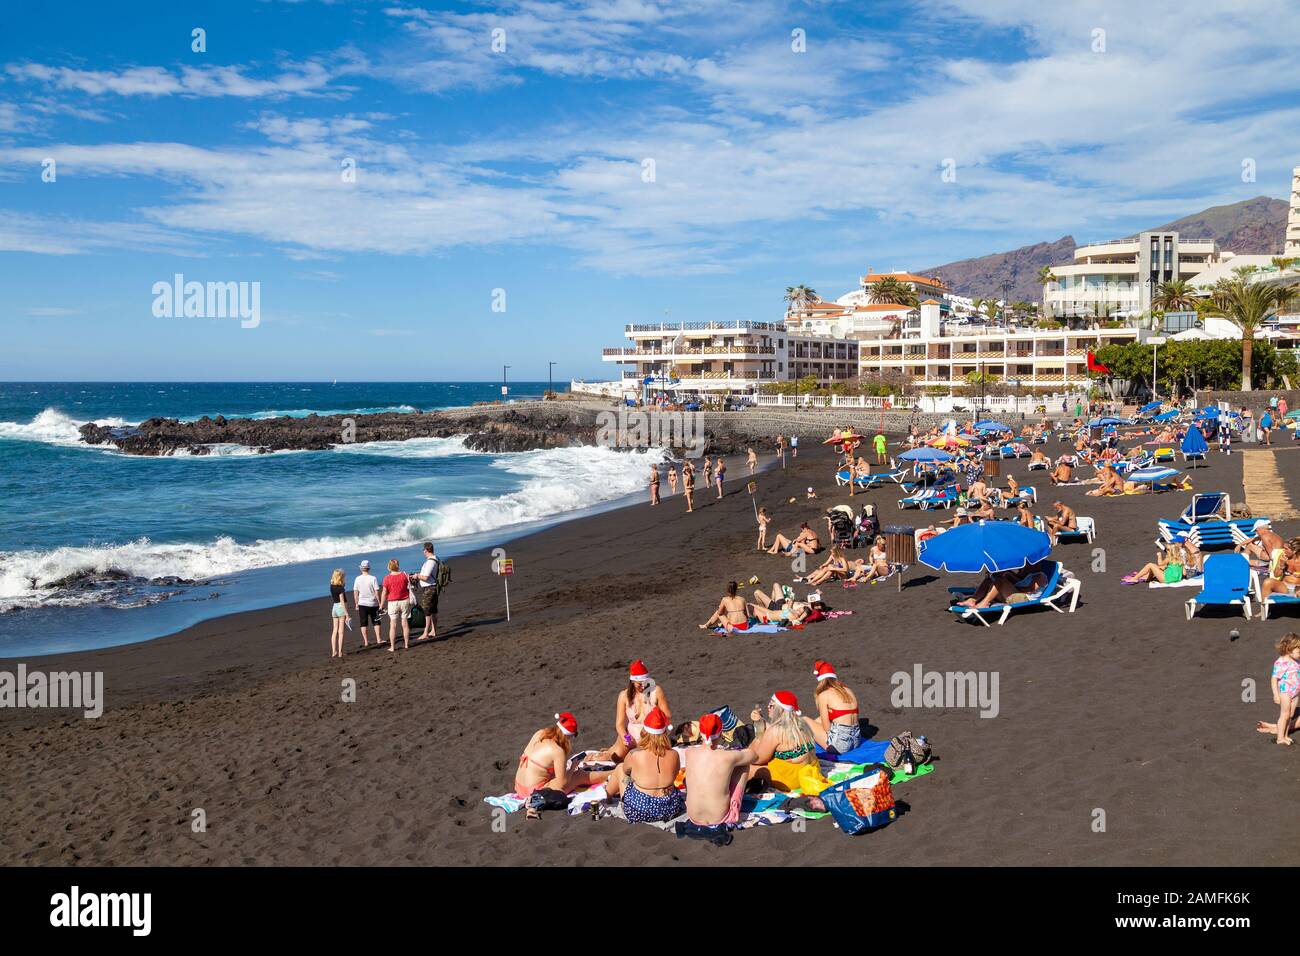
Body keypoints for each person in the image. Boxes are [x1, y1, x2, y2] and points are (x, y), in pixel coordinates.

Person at [513, 712, 610, 814]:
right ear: (569, 735)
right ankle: (612, 773)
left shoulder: (539, 733)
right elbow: (562, 783)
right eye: (574, 735)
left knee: (567, 774)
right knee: (579, 776)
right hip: (533, 792)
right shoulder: (558, 751)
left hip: (519, 787)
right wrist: (573, 767)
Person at [603, 707, 685, 823]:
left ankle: (606, 797)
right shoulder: (674, 754)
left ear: (645, 732)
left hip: (641, 810)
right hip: (669, 808)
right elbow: (675, 773)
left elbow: (626, 771)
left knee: (620, 768)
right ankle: (607, 795)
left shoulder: (635, 754)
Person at [747, 691, 831, 796]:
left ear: (781, 709)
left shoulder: (775, 731)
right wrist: (762, 722)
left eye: (771, 705)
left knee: (745, 768)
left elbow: (757, 759)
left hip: (791, 779)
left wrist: (759, 733)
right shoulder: (801, 723)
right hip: (810, 771)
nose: (768, 707)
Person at [682, 713, 757, 830]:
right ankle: (734, 805)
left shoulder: (689, 752)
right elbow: (754, 756)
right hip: (720, 818)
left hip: (693, 817)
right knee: (743, 765)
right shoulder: (727, 757)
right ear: (721, 733)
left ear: (700, 734)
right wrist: (734, 753)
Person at [601, 659, 673, 761]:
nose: (643, 686)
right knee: (614, 757)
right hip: (632, 736)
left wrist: (657, 713)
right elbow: (620, 724)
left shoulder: (656, 691)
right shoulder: (624, 696)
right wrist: (625, 737)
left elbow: (668, 715)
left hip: (652, 737)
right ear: (632, 681)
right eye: (639, 683)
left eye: (645, 682)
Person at [804, 660, 861, 755]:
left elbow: (826, 728)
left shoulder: (824, 694)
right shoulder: (848, 690)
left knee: (805, 720)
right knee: (818, 720)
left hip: (839, 746)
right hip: (856, 741)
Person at [1256, 634, 1300, 744]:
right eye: (1298, 649)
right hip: (1285, 692)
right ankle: (1280, 738)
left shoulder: (1296, 660)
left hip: (1295, 693)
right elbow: (1274, 679)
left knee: (1290, 715)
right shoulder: (1281, 663)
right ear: (1288, 648)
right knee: (1284, 715)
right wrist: (1276, 694)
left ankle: (1285, 735)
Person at [378, 558, 412, 652]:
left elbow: (384, 593)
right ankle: (406, 644)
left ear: (389, 567)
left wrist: (381, 605)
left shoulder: (387, 578)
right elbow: (408, 587)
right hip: (404, 600)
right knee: (405, 623)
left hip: (393, 602)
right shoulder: (404, 575)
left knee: (393, 625)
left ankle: (392, 647)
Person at [1122, 542, 1186, 585]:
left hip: (1167, 580)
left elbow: (1160, 564)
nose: (1166, 551)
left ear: (1171, 552)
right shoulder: (1181, 560)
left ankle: (1135, 578)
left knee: (1150, 565)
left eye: (1168, 550)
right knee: (1158, 567)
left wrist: (1159, 556)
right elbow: (1184, 573)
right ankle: (1147, 578)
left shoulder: (1169, 558)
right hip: (1176, 580)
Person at [414, 541, 440, 642]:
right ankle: (434, 630)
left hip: (429, 588)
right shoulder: (435, 558)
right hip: (433, 587)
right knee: (433, 610)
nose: (423, 551)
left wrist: (416, 576)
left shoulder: (430, 561)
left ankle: (426, 633)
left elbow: (425, 577)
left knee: (427, 611)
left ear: (426, 550)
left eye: (424, 550)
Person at [353, 559, 382, 648]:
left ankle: (366, 641)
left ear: (361, 569)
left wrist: (356, 603)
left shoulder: (357, 578)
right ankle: (378, 639)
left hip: (362, 603)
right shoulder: (373, 578)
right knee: (376, 621)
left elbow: (355, 592)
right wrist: (380, 602)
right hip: (373, 603)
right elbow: (377, 592)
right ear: (369, 568)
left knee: (363, 623)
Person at [329, 568, 349, 659]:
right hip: (340, 608)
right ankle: (340, 652)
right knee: (341, 632)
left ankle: (334, 651)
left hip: (334, 608)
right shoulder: (341, 588)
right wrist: (347, 614)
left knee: (334, 630)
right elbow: (342, 601)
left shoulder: (331, 586)